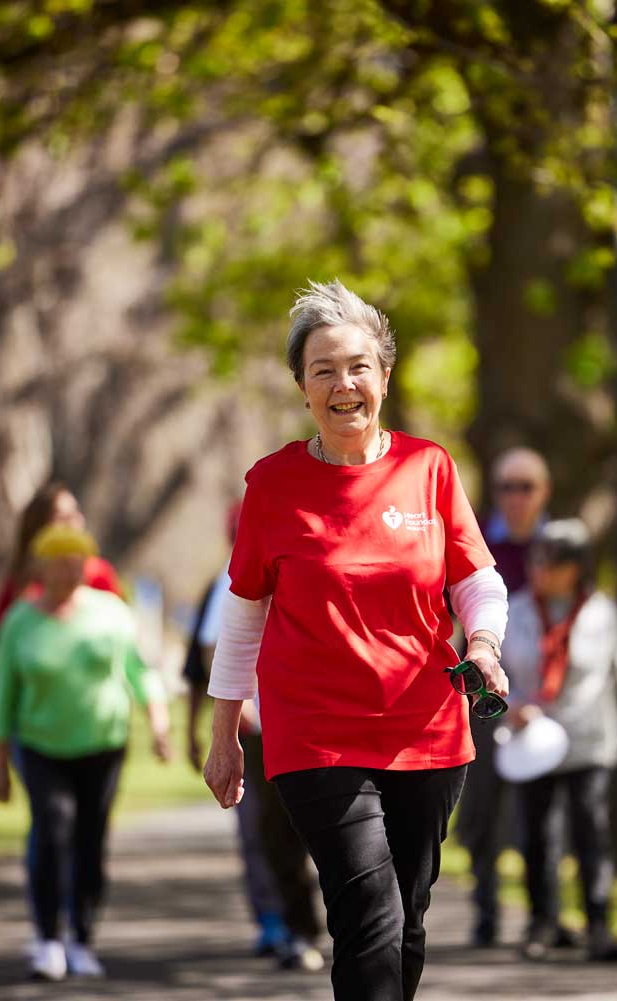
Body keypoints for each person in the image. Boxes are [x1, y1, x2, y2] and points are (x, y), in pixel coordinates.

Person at [202, 279, 509, 1001]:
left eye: (359, 366)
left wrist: (486, 643)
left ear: (385, 376)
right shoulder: (272, 484)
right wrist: (223, 735)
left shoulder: (428, 469)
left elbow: (476, 580)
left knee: (406, 920)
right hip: (316, 736)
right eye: (324, 370)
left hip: (428, 730)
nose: (345, 384)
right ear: (303, 388)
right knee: (367, 910)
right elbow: (244, 613)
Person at [0, 523, 172, 981]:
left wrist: (158, 722)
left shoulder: (110, 612)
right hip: (40, 745)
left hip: (103, 744)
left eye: (80, 564)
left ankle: (82, 939)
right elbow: (2, 697)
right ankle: (47, 939)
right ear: (42, 569)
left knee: (91, 841)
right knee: (52, 831)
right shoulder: (20, 621)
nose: (73, 572)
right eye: (63, 564)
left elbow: (138, 669)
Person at [501, 518, 617, 963]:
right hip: (532, 741)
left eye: (550, 563)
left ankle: (599, 925)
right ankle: (543, 924)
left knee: (591, 834)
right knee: (537, 838)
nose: (540, 570)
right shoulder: (516, 611)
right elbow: (498, 675)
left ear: (574, 568)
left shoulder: (602, 613)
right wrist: (511, 706)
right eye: (536, 560)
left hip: (589, 742)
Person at [183, 513, 324, 973]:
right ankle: (295, 930)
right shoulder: (230, 575)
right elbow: (211, 651)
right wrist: (237, 712)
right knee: (274, 835)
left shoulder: (308, 559)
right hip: (261, 728)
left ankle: (343, 925)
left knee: (325, 830)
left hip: (315, 722)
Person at [456, 447, 553, 948]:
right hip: (484, 701)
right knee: (481, 814)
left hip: (544, 700)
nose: (515, 498)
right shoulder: (475, 544)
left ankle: (544, 918)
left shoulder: (556, 547)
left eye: (526, 487)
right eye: (506, 487)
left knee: (541, 814)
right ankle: (486, 913)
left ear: (544, 493)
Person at [0, 481, 122, 630]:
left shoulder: (99, 574)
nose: (73, 524)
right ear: (40, 526)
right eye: (63, 518)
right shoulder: (21, 579)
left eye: (75, 514)